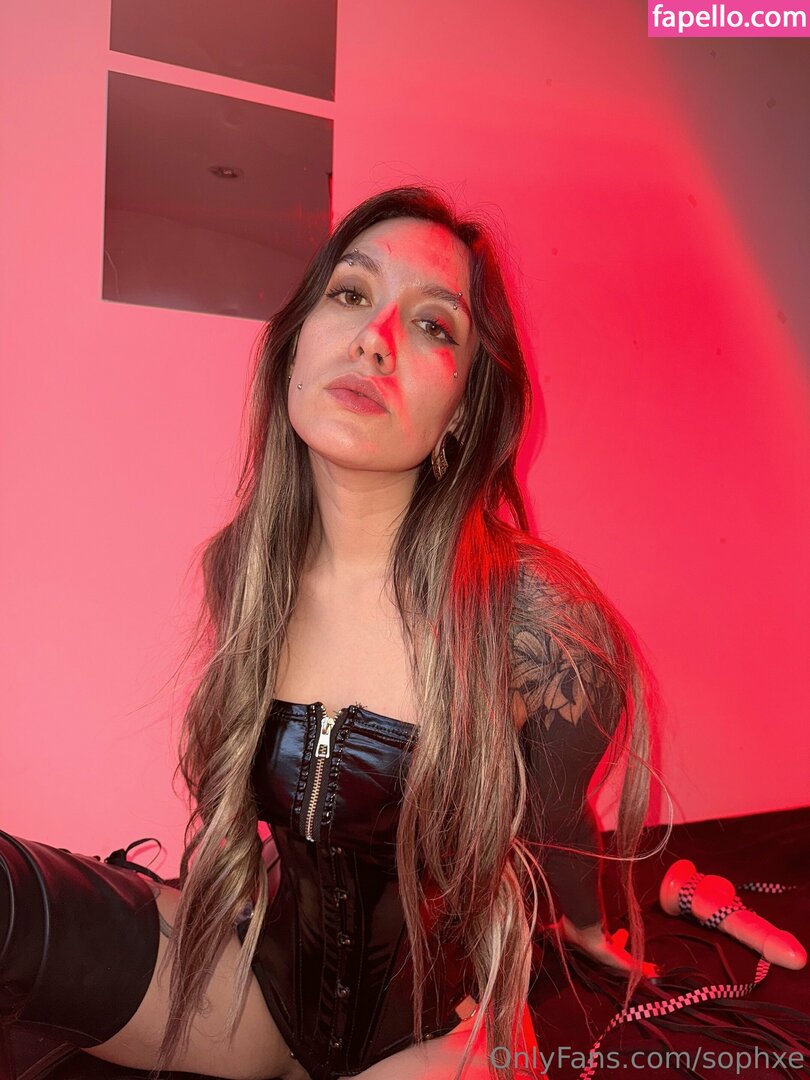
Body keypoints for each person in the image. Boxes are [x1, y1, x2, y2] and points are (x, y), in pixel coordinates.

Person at [1, 185, 663, 1080]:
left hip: (436, 1034)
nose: (374, 339)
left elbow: (558, 823)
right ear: (294, 350)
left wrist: (585, 926)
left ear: (464, 410)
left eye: (432, 326)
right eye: (350, 293)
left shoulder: (539, 623)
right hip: (252, 993)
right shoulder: (244, 568)